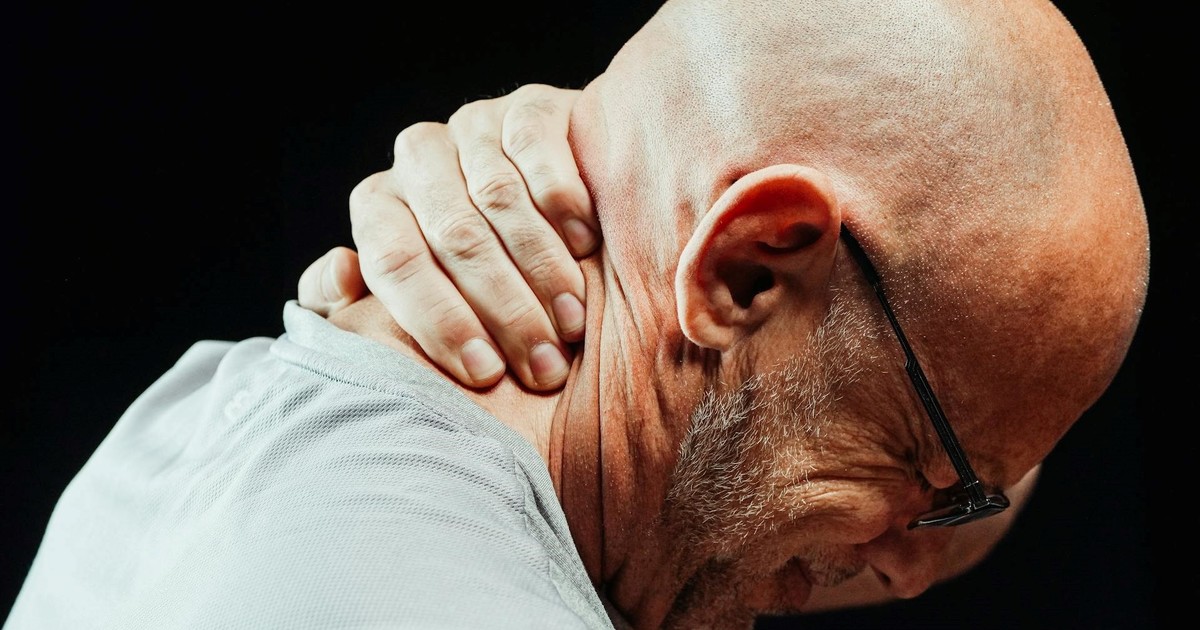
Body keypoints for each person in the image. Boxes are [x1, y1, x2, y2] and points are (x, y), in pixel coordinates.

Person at [6, 1, 1148, 629]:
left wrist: (633, 168)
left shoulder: (197, 422)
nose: (905, 569)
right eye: (933, 479)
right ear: (746, 273)